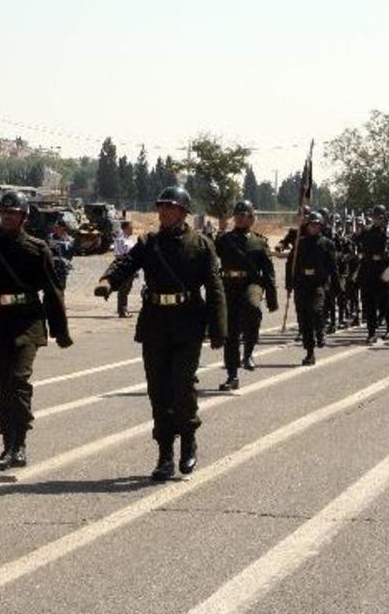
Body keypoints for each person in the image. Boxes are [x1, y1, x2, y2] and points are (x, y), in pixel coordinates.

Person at [94, 186, 226, 481]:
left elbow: (215, 288)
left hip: (188, 323)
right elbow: (126, 262)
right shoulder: (149, 243)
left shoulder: (201, 245)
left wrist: (219, 328)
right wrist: (108, 282)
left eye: (171, 207)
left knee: (182, 384)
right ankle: (165, 453)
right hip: (155, 323)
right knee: (158, 390)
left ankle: (188, 439)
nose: (164, 212)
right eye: (162, 207)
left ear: (183, 212)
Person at [0, 191, 72, 470]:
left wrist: (60, 330)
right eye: (4, 213)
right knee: (4, 385)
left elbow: (53, 290)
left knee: (18, 381)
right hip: (1, 320)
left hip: (28, 321)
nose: (7, 217)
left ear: (24, 217)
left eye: (13, 213)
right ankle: (8, 443)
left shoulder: (37, 248)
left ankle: (19, 444)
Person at [214, 200, 277, 391]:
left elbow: (268, 271)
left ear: (252, 218)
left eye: (246, 215)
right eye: (239, 215)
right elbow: (209, 258)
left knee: (252, 307)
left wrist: (272, 298)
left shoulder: (259, 242)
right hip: (229, 284)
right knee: (230, 332)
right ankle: (232, 375)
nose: (242, 218)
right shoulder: (224, 240)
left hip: (251, 283)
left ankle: (248, 351)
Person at [289, 211, 336, 365]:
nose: (314, 227)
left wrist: (335, 285)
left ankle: (320, 331)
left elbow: (332, 267)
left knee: (316, 311)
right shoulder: (300, 243)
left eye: (317, 224)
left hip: (318, 284)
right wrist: (290, 283)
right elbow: (292, 264)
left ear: (321, 226)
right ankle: (310, 352)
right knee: (304, 319)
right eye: (311, 224)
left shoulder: (327, 244)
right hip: (302, 284)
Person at [354, 205, 389, 344]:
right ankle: (371, 332)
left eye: (379, 217)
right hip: (368, 269)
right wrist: (359, 231)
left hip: (382, 269)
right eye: (375, 217)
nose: (377, 220)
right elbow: (354, 240)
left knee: (384, 302)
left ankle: (388, 324)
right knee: (369, 303)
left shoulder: (388, 232)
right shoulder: (367, 231)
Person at [112, 220, 138, 317]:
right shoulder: (120, 239)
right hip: (124, 265)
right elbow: (119, 254)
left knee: (127, 288)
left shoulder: (129, 239)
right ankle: (122, 311)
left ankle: (124, 309)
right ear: (125, 228)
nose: (132, 230)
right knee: (123, 288)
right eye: (130, 228)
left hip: (130, 265)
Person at [46, 217, 76, 289]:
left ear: (63, 228)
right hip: (51, 266)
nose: (55, 229)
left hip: (62, 268)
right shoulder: (50, 238)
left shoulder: (69, 240)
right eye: (55, 227)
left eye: (58, 227)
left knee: (60, 287)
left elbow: (70, 254)